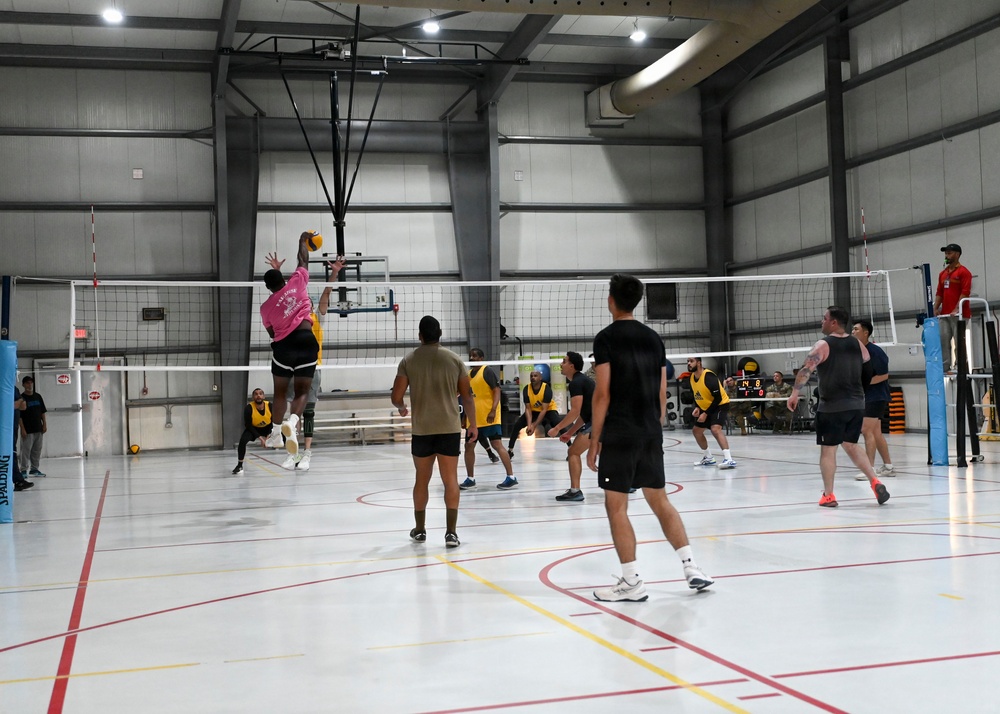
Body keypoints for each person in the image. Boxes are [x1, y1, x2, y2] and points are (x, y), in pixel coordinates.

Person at [587, 274, 713, 602]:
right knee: (660, 500)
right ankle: (691, 566)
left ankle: (630, 582)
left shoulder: (605, 338)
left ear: (611, 300)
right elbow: (661, 390)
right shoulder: (654, 338)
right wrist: (654, 425)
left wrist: (595, 438)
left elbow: (602, 393)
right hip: (649, 432)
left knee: (616, 506)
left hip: (620, 432)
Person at [787, 306, 891, 508]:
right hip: (856, 405)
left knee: (828, 450)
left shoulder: (823, 345)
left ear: (833, 322)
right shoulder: (858, 345)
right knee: (851, 444)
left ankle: (828, 495)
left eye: (824, 318)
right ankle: (875, 481)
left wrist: (794, 393)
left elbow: (806, 370)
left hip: (831, 407)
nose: (821, 321)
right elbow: (868, 370)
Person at [391, 315, 476, 548]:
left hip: (423, 429)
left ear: (420, 336)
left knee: (422, 479)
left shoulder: (408, 361)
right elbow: (467, 396)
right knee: (451, 480)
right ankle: (451, 533)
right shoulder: (455, 360)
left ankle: (420, 530)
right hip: (449, 427)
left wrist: (402, 408)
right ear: (440, 334)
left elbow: (396, 397)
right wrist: (474, 425)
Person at [259, 232, 327, 456]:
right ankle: (294, 419)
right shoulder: (297, 282)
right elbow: (303, 260)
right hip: (307, 341)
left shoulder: (265, 307)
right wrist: (301, 240)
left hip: (284, 347)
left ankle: (277, 431)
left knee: (280, 392)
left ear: (269, 287)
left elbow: (271, 332)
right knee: (302, 392)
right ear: (283, 278)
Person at [277, 257, 345, 472]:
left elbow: (326, 295)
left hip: (313, 367)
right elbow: (282, 296)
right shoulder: (290, 319)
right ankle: (293, 454)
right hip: (292, 367)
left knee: (308, 413)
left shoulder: (316, 317)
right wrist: (278, 275)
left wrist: (334, 274)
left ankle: (307, 453)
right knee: (292, 414)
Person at [460, 348, 517, 490]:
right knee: (468, 447)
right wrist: (464, 417)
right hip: (473, 420)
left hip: (488, 417)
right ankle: (470, 479)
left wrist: (493, 410)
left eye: (475, 356)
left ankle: (511, 477)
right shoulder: (468, 375)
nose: (472, 358)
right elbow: (467, 398)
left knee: (497, 445)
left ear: (482, 358)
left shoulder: (487, 370)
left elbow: (497, 390)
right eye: (470, 356)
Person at [547, 352, 595, 502]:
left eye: (564, 361)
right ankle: (628, 483)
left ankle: (575, 491)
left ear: (571, 366)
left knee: (573, 452)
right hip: (601, 420)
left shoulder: (576, 383)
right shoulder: (581, 381)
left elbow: (574, 411)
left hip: (600, 422)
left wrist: (557, 428)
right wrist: (569, 432)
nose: (561, 364)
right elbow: (583, 415)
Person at [852, 320, 896, 480]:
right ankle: (889, 467)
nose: (852, 331)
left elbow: (884, 375)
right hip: (867, 396)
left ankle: (869, 469)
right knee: (876, 433)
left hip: (876, 396)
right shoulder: (857, 351)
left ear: (865, 333)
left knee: (866, 430)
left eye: (856, 329)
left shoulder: (875, 352)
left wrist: (861, 385)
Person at [687, 357, 736, 469]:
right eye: (688, 362)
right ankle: (708, 458)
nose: (689, 364)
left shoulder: (709, 376)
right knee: (696, 431)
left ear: (699, 363)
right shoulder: (692, 378)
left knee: (715, 429)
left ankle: (729, 459)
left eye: (691, 361)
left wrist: (705, 414)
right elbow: (698, 395)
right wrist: (698, 408)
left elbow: (718, 398)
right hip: (707, 406)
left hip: (720, 405)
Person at [934, 243, 973, 372]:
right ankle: (945, 367)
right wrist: (935, 308)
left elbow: (965, 292)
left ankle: (961, 367)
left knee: (959, 342)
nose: (947, 255)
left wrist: (957, 308)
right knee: (943, 340)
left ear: (957, 254)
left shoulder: (964, 272)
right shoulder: (942, 274)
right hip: (944, 314)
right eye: (946, 253)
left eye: (949, 253)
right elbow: (939, 292)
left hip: (959, 314)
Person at [506, 370, 561, 460]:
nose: (533, 378)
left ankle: (570, 447)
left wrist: (534, 426)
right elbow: (527, 408)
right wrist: (529, 425)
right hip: (533, 410)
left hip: (548, 410)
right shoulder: (526, 389)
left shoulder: (546, 388)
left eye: (535, 376)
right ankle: (510, 450)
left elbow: (544, 410)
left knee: (558, 423)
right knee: (517, 425)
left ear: (540, 378)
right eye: (531, 376)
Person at [232, 388, 274, 475]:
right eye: (256, 394)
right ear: (253, 397)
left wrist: (267, 437)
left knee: (286, 437)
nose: (258, 395)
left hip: (268, 428)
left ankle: (295, 460)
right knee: (242, 441)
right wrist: (261, 439)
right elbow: (248, 425)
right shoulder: (248, 408)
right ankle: (240, 465)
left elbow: (273, 422)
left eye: (260, 393)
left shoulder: (270, 405)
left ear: (264, 396)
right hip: (254, 429)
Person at [18, 375, 47, 477]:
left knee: (36, 450)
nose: (29, 385)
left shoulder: (38, 396)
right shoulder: (21, 398)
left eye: (31, 383)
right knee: (25, 451)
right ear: (23, 385)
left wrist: (44, 425)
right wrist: (22, 429)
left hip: (38, 428)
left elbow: (42, 412)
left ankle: (34, 469)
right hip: (27, 429)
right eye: (27, 383)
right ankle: (23, 470)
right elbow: (19, 416)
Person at [12, 386, 33, 491]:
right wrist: (19, 402)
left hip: (13, 427)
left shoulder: (13, 388)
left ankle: (18, 480)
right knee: (10, 453)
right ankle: (18, 480)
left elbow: (23, 406)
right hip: (6, 428)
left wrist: (19, 401)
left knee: (12, 453)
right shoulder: (4, 385)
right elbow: (13, 405)